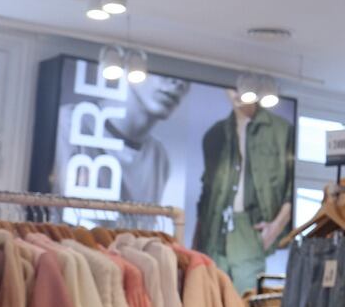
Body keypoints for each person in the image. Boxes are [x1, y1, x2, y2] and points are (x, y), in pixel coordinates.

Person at [192, 92, 294, 293]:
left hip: (249, 227)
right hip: (214, 230)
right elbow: (206, 194)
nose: (236, 93)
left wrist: (276, 227)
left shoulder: (281, 131)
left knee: (245, 301)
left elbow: (290, 187)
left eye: (243, 88)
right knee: (211, 300)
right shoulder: (214, 134)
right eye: (232, 87)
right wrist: (195, 246)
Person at [51, 75, 190, 206]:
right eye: (164, 64)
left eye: (187, 77)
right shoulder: (67, 124)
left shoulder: (159, 157)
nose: (179, 82)